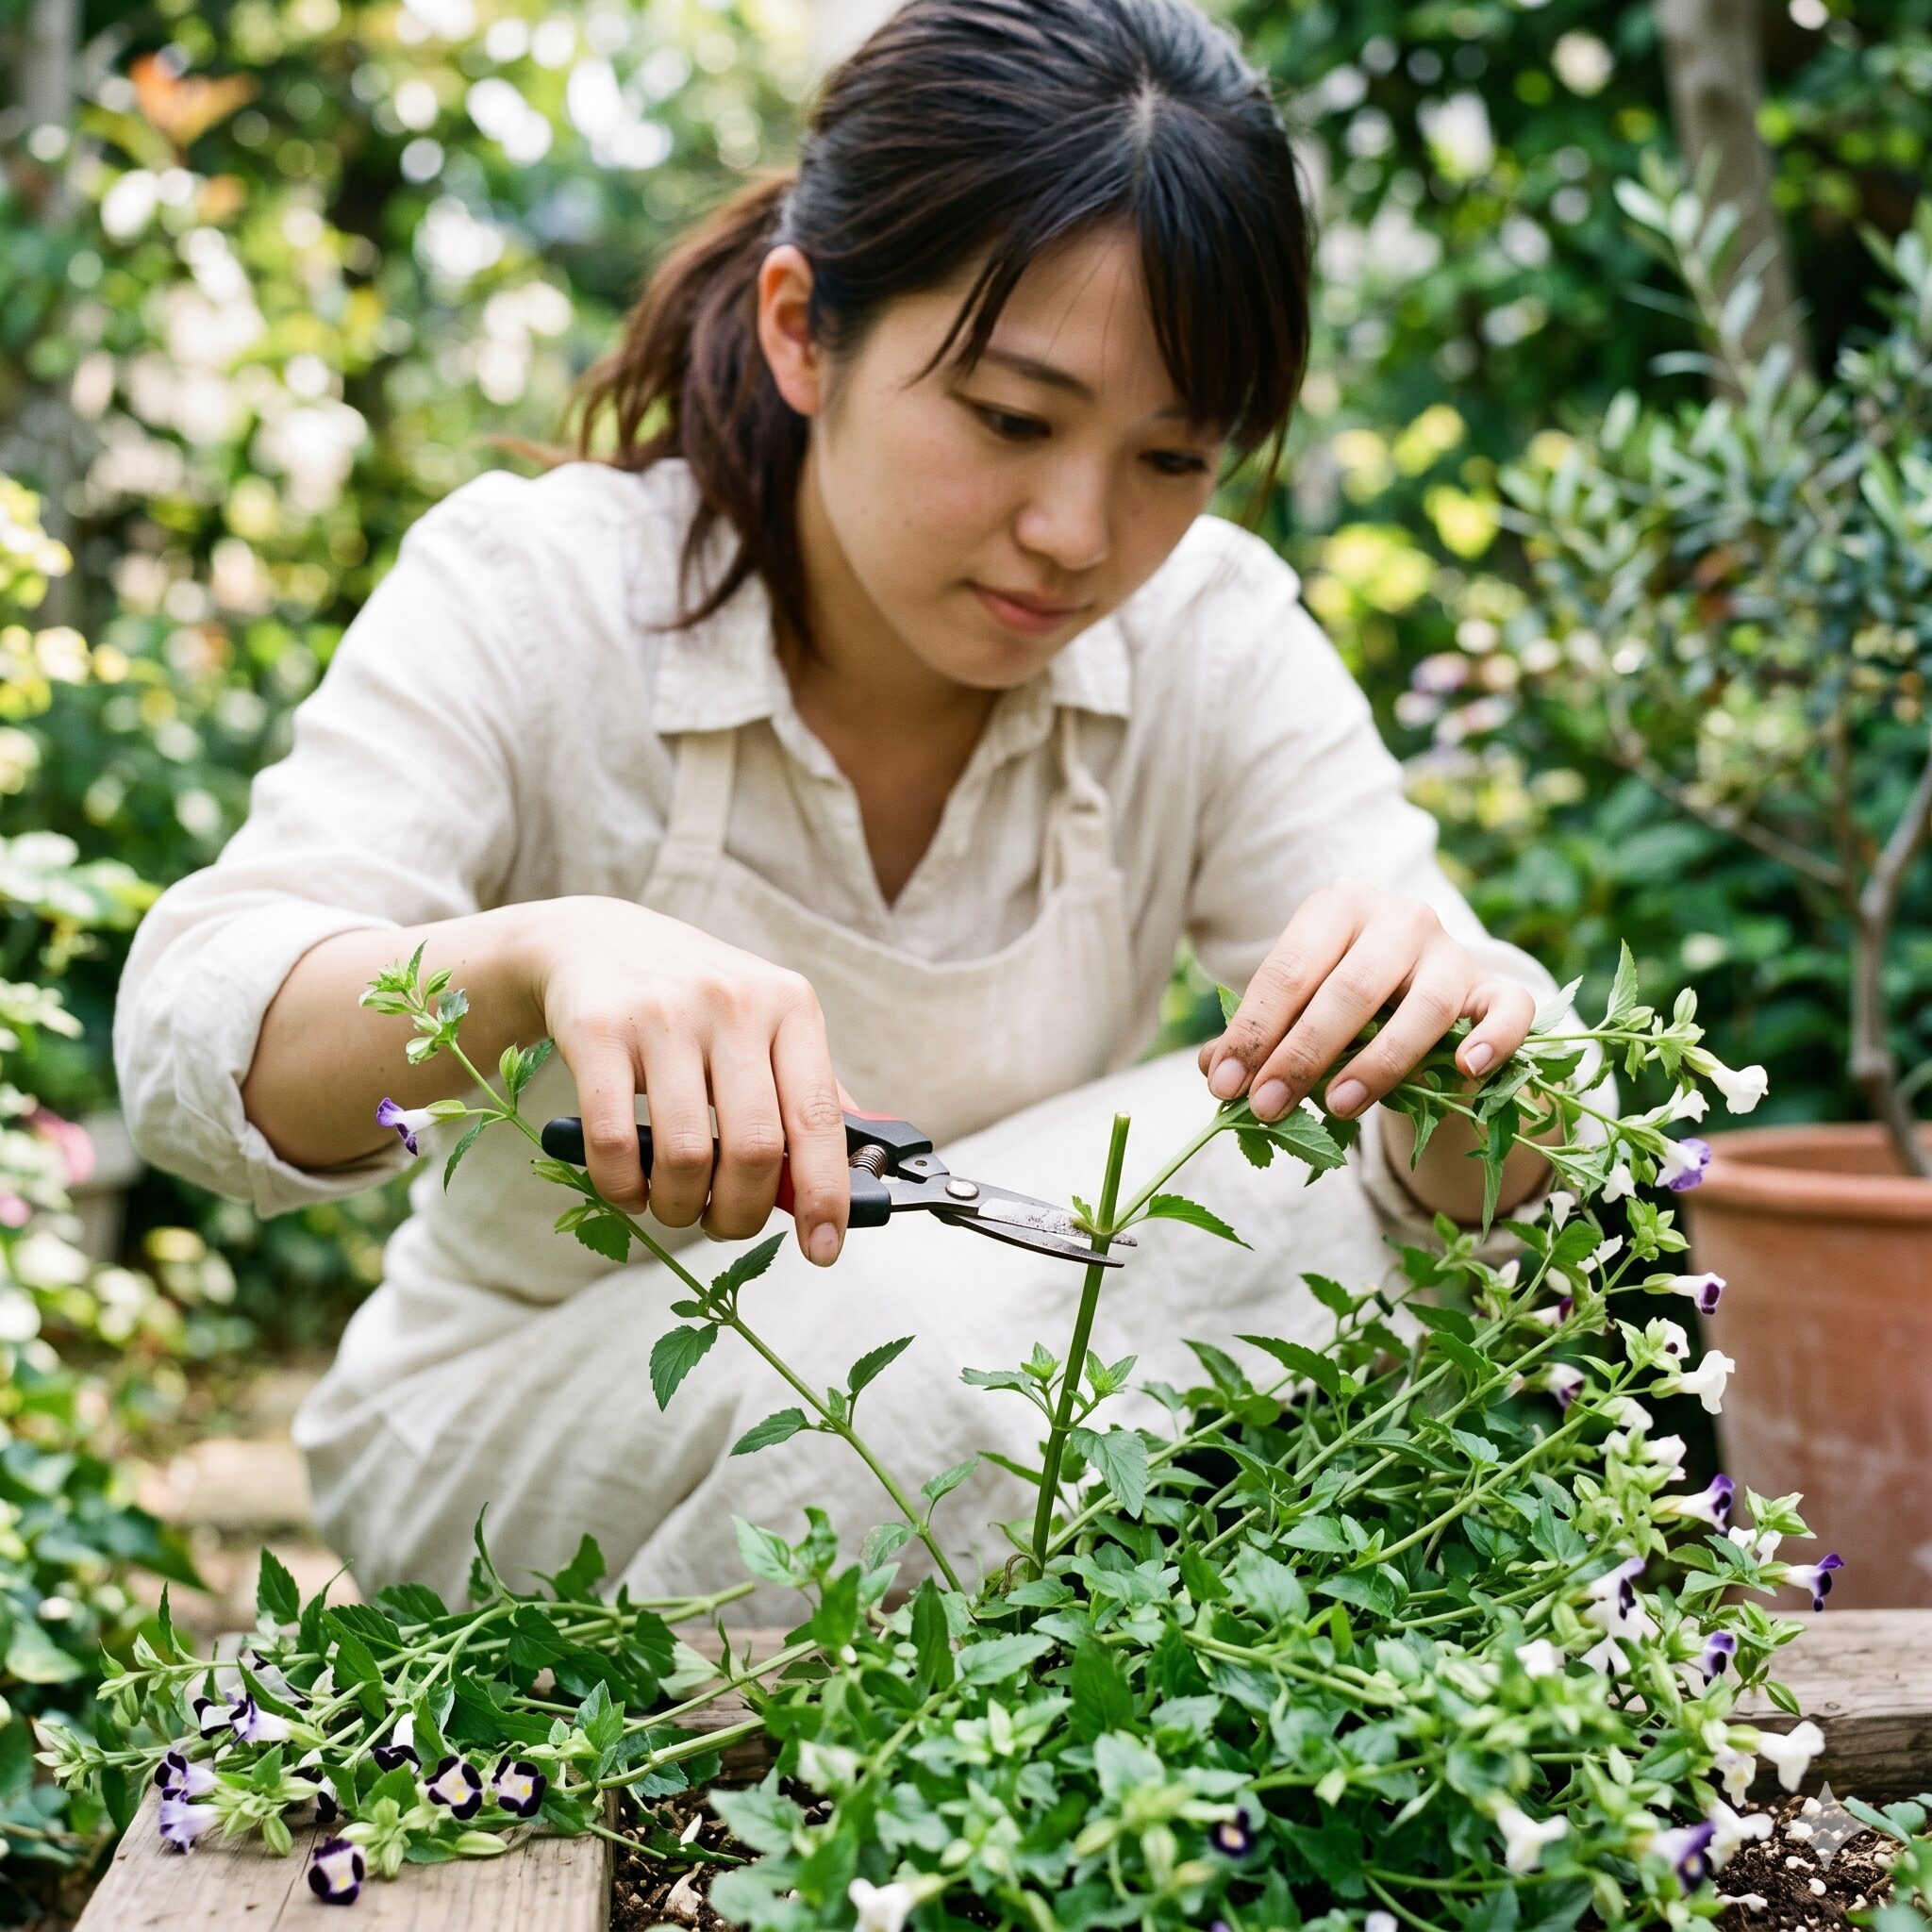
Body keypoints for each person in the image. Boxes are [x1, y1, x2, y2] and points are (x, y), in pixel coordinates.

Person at [116, 0, 1569, 1610]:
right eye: (1012, 421)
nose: (1077, 533)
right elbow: (190, 1041)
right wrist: (537, 963)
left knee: (1262, 1168)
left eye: (1176, 457)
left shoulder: (1207, 638)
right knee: (1031, 1297)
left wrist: (1452, 1054)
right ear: (805, 330)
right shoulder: (540, 592)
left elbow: (1493, 1115)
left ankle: (851, 1757)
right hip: (513, 1440)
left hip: (977, 1436)